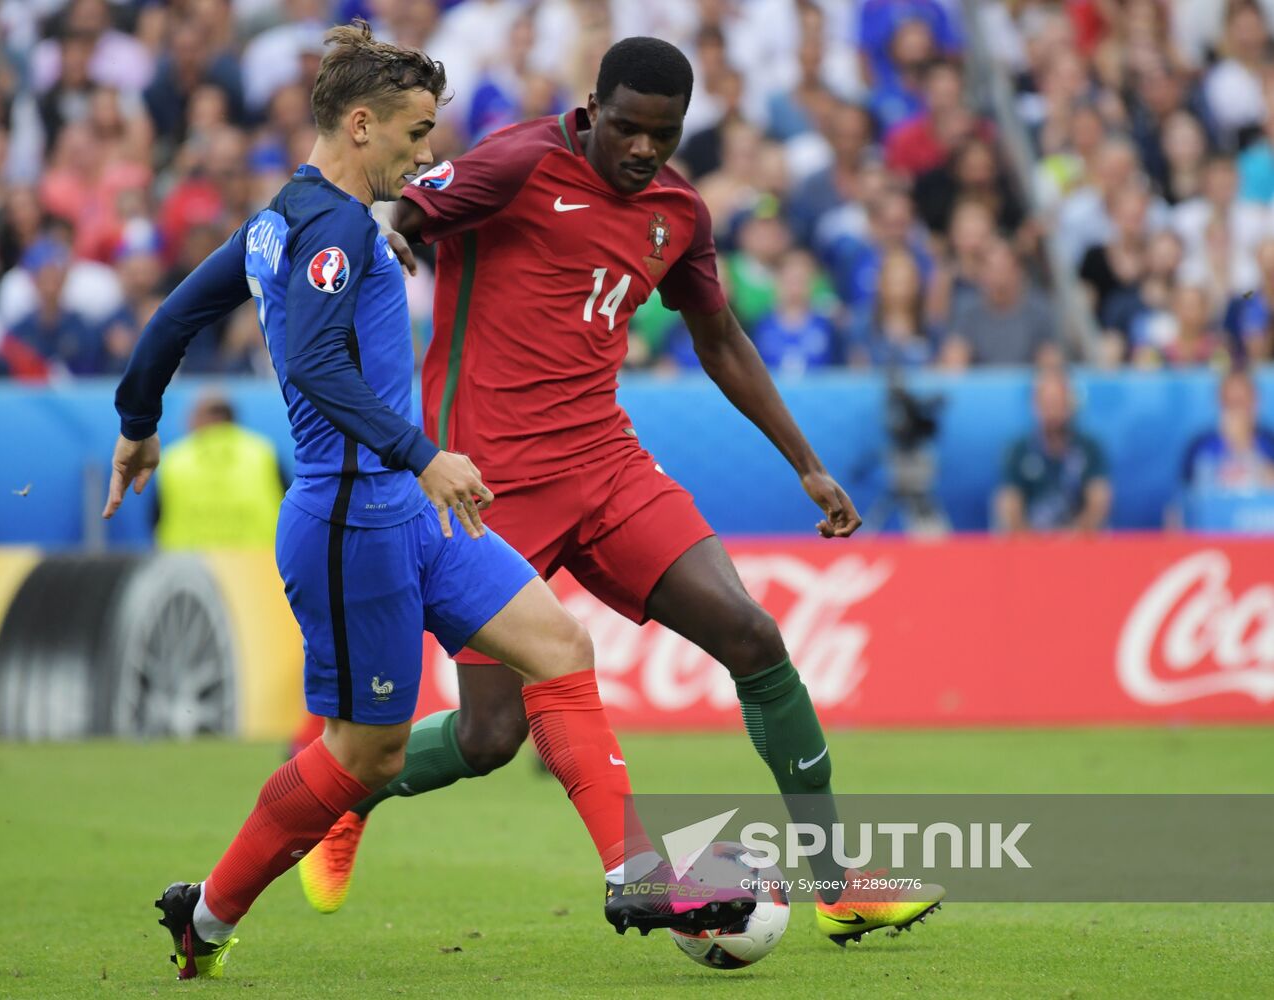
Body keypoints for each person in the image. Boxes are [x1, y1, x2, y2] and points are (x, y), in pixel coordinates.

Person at [102, 23, 750, 981]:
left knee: (561, 649)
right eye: (414, 132)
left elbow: (179, 314)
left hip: (414, 515)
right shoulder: (327, 229)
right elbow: (318, 363)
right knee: (365, 757)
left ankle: (637, 874)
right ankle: (208, 910)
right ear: (360, 125)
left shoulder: (290, 215)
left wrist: (136, 417)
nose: (427, 152)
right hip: (349, 521)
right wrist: (424, 454)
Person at [301, 35, 943, 946]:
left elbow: (720, 339)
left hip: (606, 468)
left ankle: (838, 881)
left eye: (666, 135)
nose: (646, 151)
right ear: (595, 109)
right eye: (631, 130)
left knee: (754, 636)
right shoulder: (518, 163)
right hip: (487, 488)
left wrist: (803, 459)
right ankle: (346, 791)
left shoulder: (678, 210)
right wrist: (389, 241)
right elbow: (399, 213)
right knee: (489, 739)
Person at [152, 391, 288, 550]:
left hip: (188, 563)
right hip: (256, 563)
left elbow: (155, 517)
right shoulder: (263, 453)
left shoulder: (173, 459)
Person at [996, 368, 1111, 533]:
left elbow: (1099, 500)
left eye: (1058, 402)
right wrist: (1029, 541)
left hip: (1080, 542)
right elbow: (1009, 502)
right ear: (1035, 405)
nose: (1052, 410)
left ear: (1070, 404)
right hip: (1031, 542)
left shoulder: (1089, 447)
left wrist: (1075, 537)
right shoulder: (1019, 450)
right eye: (1047, 403)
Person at [1181, 369, 1274, 493]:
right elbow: (1185, 497)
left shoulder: (1269, 443)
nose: (1236, 411)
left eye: (1241, 402)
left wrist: (1243, 445)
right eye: (1229, 403)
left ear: (1256, 403)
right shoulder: (1201, 445)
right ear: (1219, 404)